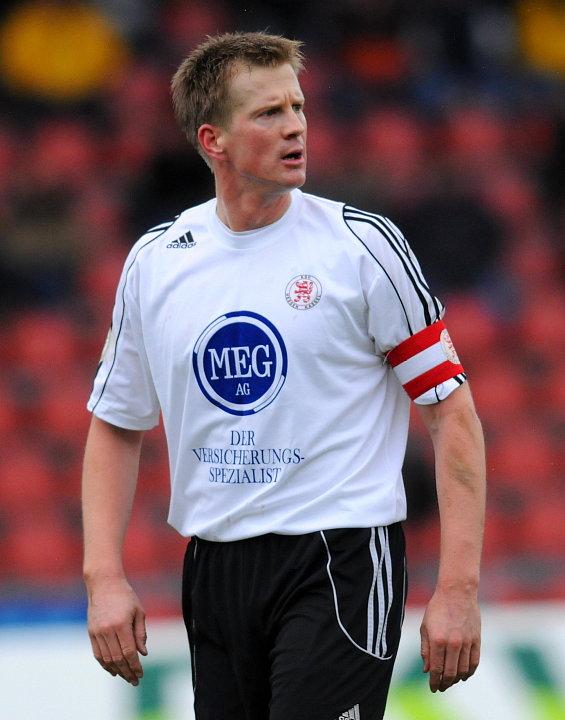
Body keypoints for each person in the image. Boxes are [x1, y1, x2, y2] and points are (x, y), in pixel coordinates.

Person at [82, 31, 486, 720]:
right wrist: (103, 576)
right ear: (212, 140)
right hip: (214, 568)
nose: (295, 126)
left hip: (339, 559)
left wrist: (458, 588)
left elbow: (451, 412)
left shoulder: (362, 247)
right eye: (268, 113)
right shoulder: (156, 261)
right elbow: (117, 425)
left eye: (297, 107)